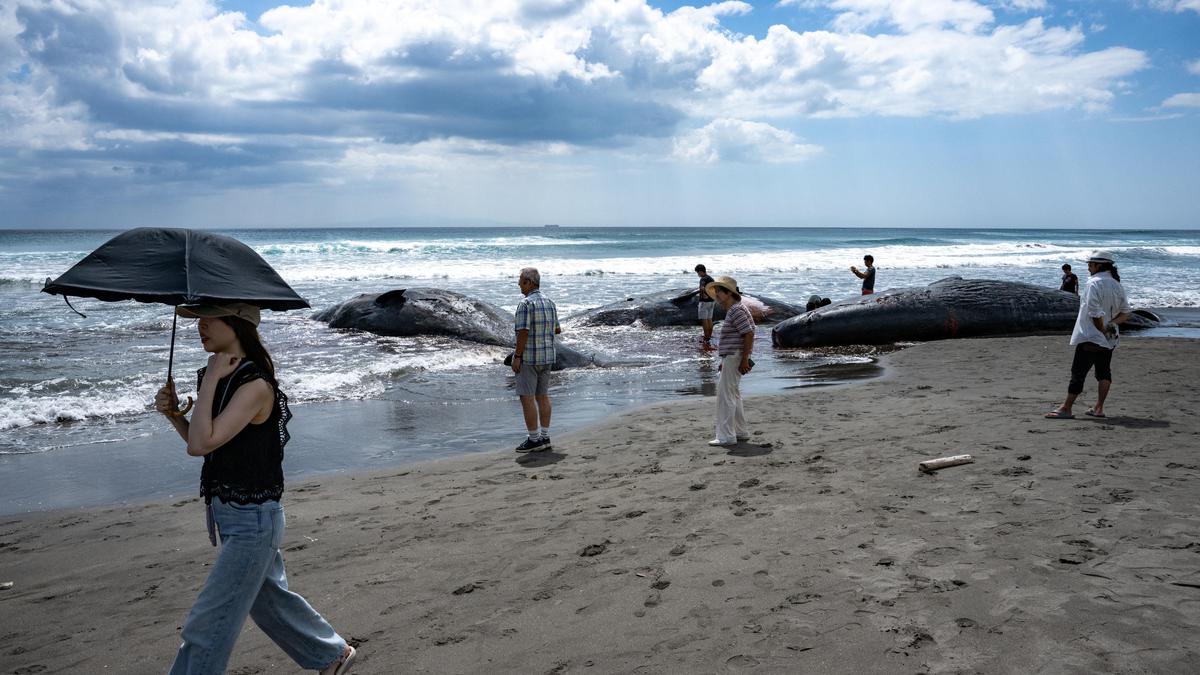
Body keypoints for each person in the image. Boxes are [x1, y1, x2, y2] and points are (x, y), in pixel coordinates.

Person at [154, 303, 356, 675]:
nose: (201, 325)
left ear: (237, 322)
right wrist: (175, 416)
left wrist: (212, 380)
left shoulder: (255, 385)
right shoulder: (219, 375)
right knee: (268, 600)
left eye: (209, 317)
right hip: (229, 515)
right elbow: (207, 444)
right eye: (197, 318)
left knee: (207, 622)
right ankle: (331, 655)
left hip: (253, 522)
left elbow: (200, 443)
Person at [1045, 251, 1132, 420]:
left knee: (1078, 373)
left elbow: (1094, 312)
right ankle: (1098, 408)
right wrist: (1112, 325)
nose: (1088, 268)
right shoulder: (1116, 284)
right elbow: (1127, 312)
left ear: (1098, 266)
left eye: (1090, 265)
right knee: (1104, 372)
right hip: (1109, 339)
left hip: (1091, 337)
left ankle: (1066, 408)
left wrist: (1102, 329)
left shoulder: (1094, 283)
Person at [512, 267, 561, 453]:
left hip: (530, 357)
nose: (518, 285)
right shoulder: (550, 302)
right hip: (548, 355)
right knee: (543, 396)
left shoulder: (525, 304)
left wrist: (517, 357)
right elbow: (557, 329)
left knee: (527, 397)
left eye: (521, 281)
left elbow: (523, 331)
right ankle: (545, 437)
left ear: (529, 282)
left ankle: (534, 439)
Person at [706, 276, 754, 447]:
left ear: (729, 293)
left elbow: (748, 333)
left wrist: (745, 359)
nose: (717, 295)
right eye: (716, 292)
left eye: (719, 292)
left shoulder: (736, 310)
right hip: (733, 356)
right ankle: (740, 432)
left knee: (726, 396)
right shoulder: (737, 309)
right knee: (733, 394)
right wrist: (726, 358)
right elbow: (744, 334)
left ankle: (726, 436)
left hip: (735, 356)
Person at [695, 264, 716, 346]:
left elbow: (702, 288)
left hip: (704, 302)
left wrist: (704, 294)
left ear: (700, 271)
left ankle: (706, 338)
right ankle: (709, 336)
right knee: (709, 319)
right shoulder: (711, 278)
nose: (698, 275)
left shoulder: (703, 279)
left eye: (698, 273)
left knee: (704, 320)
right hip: (712, 301)